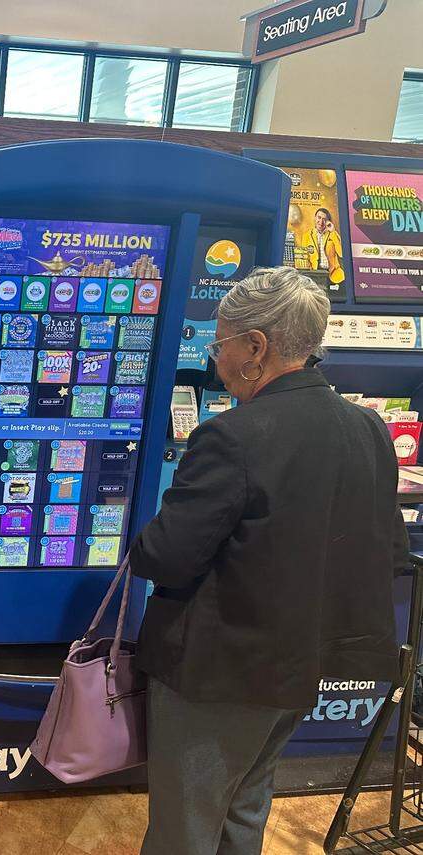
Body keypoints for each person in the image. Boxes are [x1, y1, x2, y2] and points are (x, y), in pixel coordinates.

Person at [132, 266, 406, 854]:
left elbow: (165, 555)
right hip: (302, 665)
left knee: (185, 825)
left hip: (220, 670)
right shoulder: (369, 428)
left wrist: (141, 539)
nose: (215, 358)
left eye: (220, 343)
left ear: (256, 346)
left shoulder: (233, 436)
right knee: (245, 803)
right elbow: (387, 549)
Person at [301, 207, 345, 283]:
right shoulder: (307, 235)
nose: (321, 222)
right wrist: (310, 273)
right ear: (315, 218)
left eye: (324, 219)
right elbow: (304, 256)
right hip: (314, 274)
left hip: (333, 274)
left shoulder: (333, 234)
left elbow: (341, 254)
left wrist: (333, 232)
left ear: (328, 221)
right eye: (319, 217)